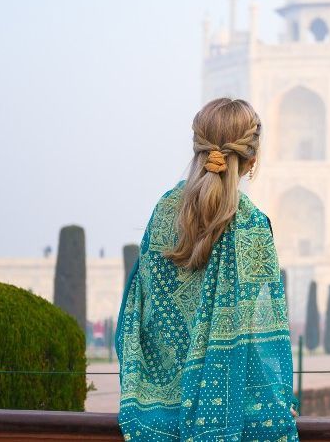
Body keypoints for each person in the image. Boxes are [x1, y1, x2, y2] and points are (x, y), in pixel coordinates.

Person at [116, 98, 297, 441]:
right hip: (229, 417)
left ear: (197, 148)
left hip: (155, 417)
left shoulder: (164, 212)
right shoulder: (252, 226)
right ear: (252, 161)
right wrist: (277, 400)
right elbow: (259, 335)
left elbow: (139, 316)